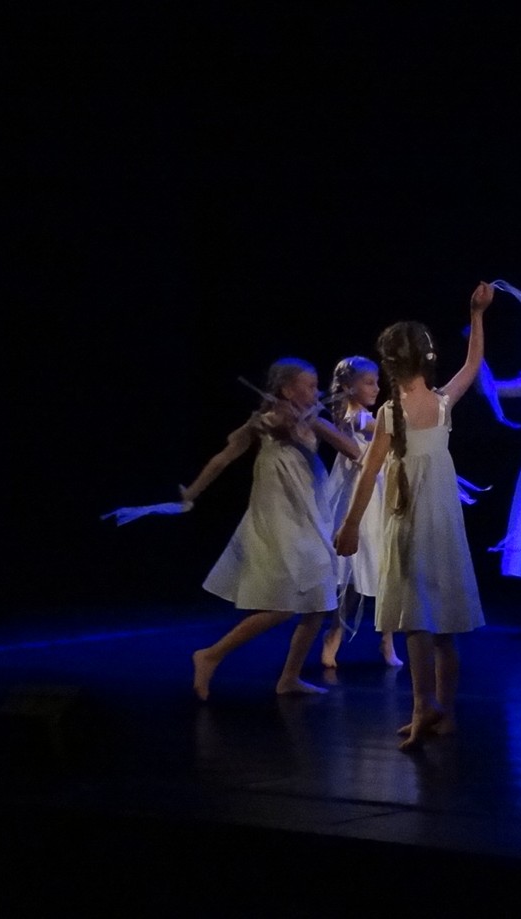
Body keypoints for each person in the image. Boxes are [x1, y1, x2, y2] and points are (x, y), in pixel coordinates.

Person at [335, 282, 494, 748]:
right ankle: (441, 710)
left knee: (417, 620)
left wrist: (349, 525)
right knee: (440, 625)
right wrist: (477, 314)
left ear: (389, 365)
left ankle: (426, 707)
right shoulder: (439, 403)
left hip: (411, 524)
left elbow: (368, 473)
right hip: (440, 522)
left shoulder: (392, 412)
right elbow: (474, 364)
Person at [188, 358, 362, 701]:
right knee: (283, 606)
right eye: (309, 387)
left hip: (309, 515)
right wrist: (191, 493)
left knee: (318, 602)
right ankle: (210, 655)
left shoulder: (312, 419)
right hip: (279, 518)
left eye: (317, 386)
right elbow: (224, 457)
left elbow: (353, 450)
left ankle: (289, 678)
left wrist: (317, 422)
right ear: (286, 390)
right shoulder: (268, 420)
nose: (316, 392)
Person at [318, 355, 401, 669]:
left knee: (387, 570)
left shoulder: (364, 415)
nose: (376, 388)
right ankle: (335, 633)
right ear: (348, 387)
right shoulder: (355, 417)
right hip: (361, 501)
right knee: (356, 575)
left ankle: (387, 640)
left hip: (382, 495)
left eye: (377, 382)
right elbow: (380, 428)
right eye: (369, 382)